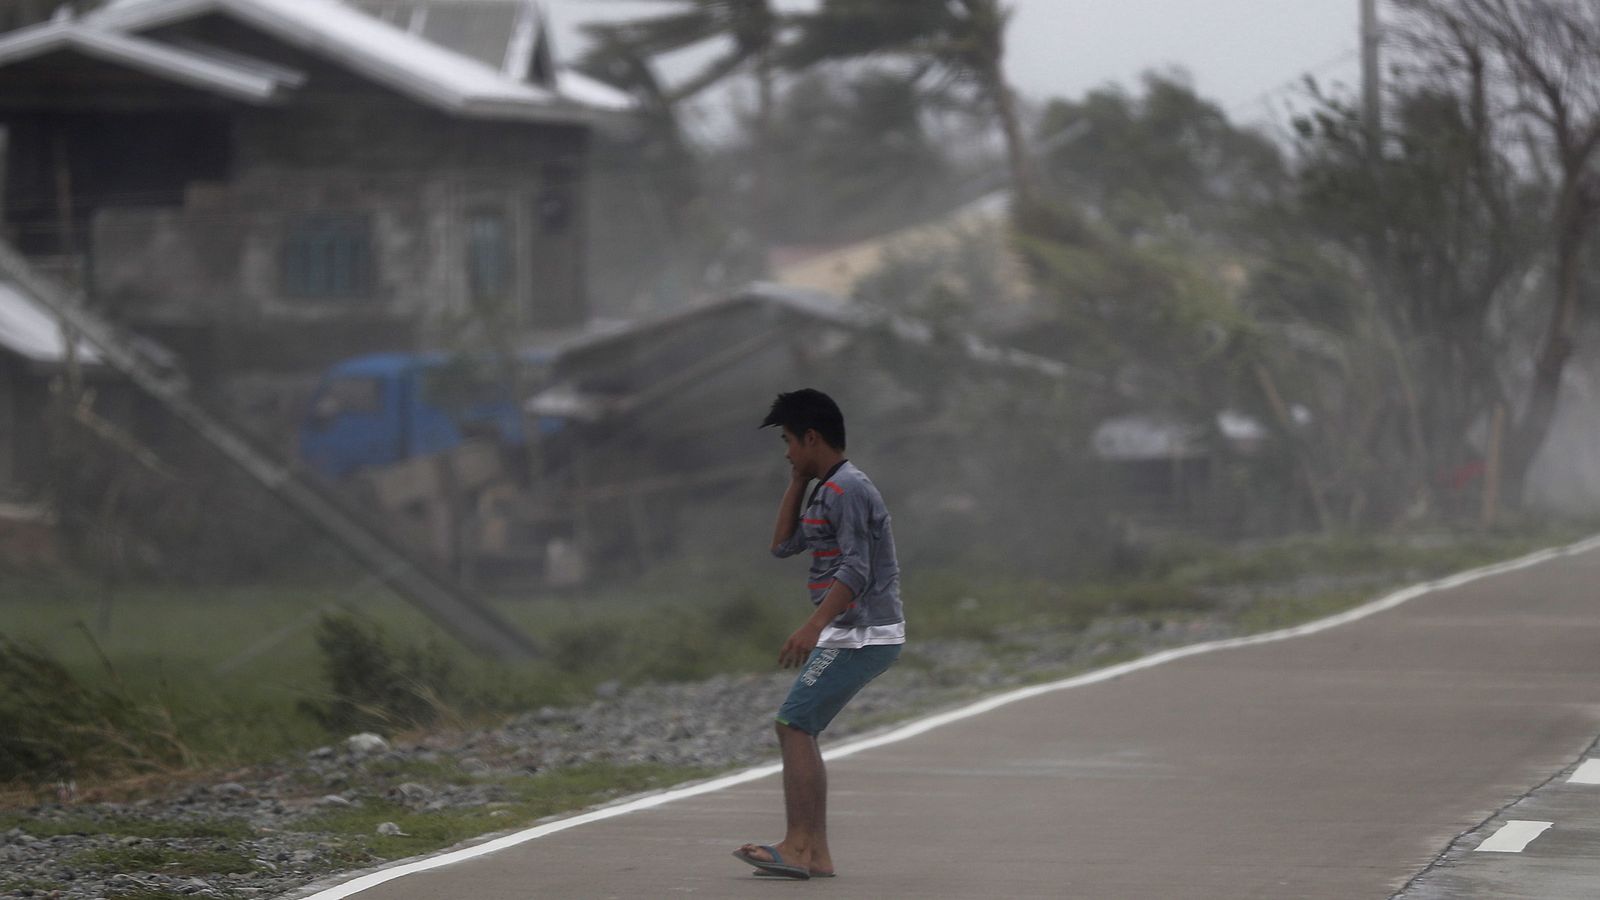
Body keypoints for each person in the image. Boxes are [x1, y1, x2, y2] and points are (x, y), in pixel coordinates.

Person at [733, 388, 905, 881]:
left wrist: (814, 626)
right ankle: (816, 854)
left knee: (794, 725)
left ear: (812, 437)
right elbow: (783, 545)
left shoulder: (849, 489)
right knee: (799, 728)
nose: (787, 451)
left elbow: (856, 569)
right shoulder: (824, 488)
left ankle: (798, 846)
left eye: (789, 442)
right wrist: (796, 479)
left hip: (862, 633)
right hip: (849, 632)